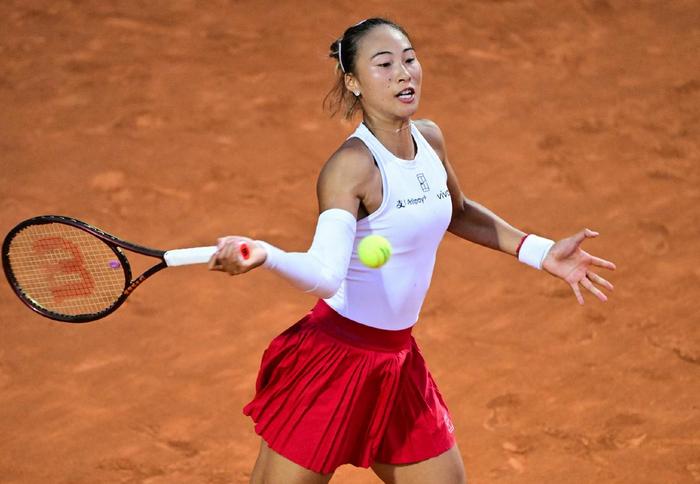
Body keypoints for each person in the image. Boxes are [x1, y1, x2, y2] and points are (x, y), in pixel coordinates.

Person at [208, 17, 615, 484]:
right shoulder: (351, 167)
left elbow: (458, 211)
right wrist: (266, 254)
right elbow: (324, 274)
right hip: (332, 363)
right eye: (384, 65)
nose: (404, 73)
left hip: (397, 365)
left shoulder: (429, 138)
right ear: (354, 82)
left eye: (409, 59)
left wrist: (540, 252)